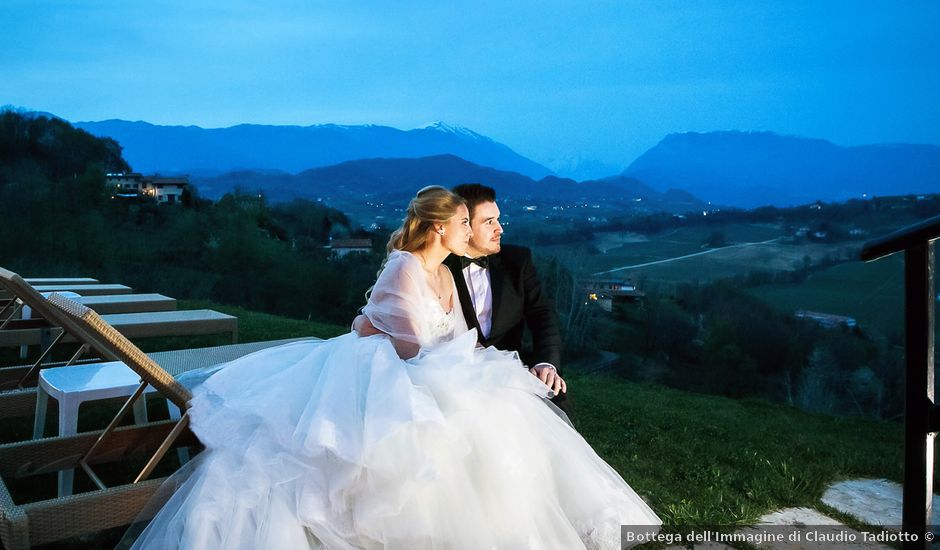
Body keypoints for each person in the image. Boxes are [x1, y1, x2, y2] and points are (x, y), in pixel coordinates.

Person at [127, 186, 661, 549]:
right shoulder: (405, 268)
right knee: (464, 423)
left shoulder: (447, 274)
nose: (470, 232)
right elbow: (411, 348)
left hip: (431, 364)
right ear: (441, 227)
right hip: (393, 372)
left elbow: (455, 338)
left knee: (504, 412)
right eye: (463, 223)